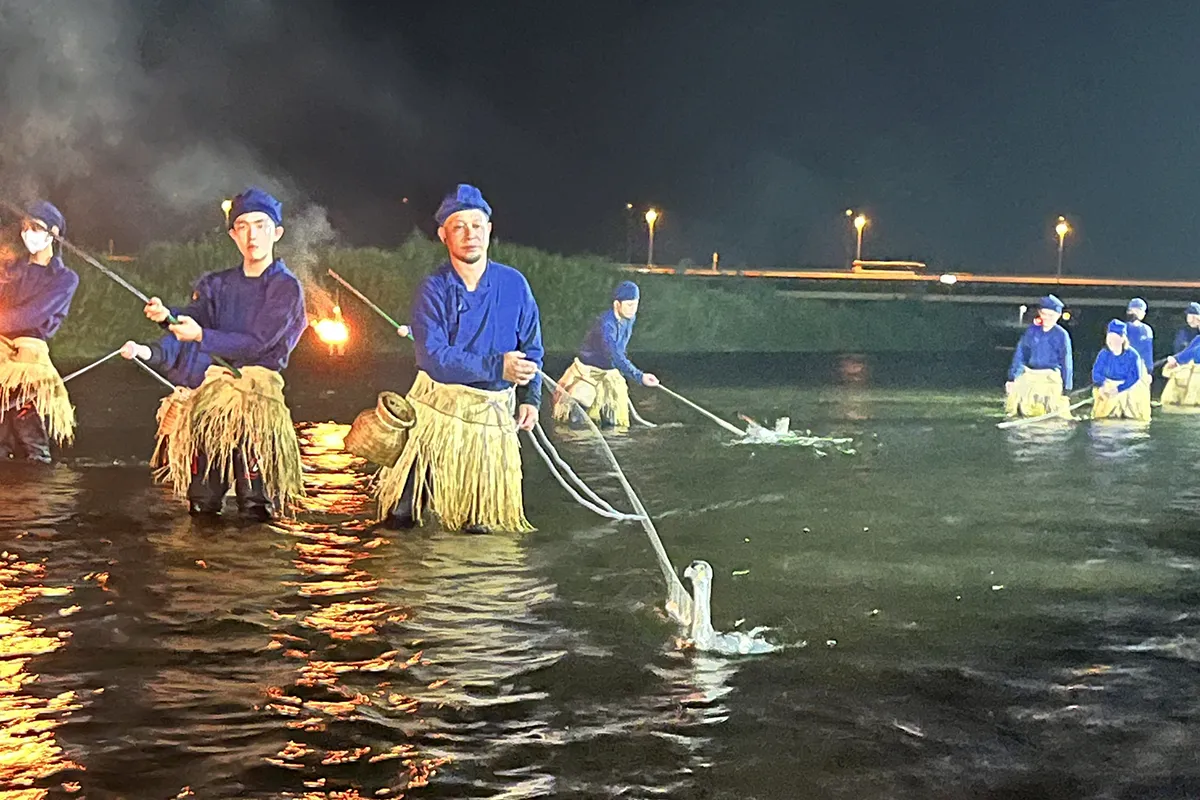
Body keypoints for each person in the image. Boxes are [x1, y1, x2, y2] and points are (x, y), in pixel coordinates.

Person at [376, 184, 543, 533]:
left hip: (490, 421)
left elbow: (532, 348)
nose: (470, 235)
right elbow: (433, 356)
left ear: (489, 229)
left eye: (477, 225)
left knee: (478, 527)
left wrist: (531, 398)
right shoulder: (432, 288)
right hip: (435, 413)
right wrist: (497, 366)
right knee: (401, 518)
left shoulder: (514, 284)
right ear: (443, 235)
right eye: (459, 227)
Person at [143, 187, 308, 520]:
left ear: (276, 233)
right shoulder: (216, 284)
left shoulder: (285, 287)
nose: (252, 235)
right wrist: (167, 316)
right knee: (202, 500)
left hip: (258, 399)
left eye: (260, 225)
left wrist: (202, 336)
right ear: (233, 234)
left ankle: (252, 564)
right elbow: (197, 315)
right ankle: (203, 566)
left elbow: (257, 341)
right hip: (215, 398)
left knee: (254, 503)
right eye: (243, 226)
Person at [0, 201, 79, 462]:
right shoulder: (10, 269)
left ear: (53, 232)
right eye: (24, 227)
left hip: (31, 359)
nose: (27, 233)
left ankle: (36, 491)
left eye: (35, 227)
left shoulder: (64, 278)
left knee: (28, 428)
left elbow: (35, 314)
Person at [552, 280, 659, 427]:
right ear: (617, 305)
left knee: (614, 418)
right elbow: (614, 353)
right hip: (588, 372)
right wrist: (640, 376)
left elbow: (620, 350)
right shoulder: (606, 324)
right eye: (629, 305)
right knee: (582, 403)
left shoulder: (629, 318)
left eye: (635, 304)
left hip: (610, 373)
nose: (633, 309)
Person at [119, 334, 211, 469]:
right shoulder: (187, 329)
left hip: (218, 407)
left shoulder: (239, 333)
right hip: (184, 404)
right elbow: (162, 352)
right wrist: (138, 350)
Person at [1005, 294, 1073, 418]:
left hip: (1051, 376)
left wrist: (1067, 387)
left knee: (1055, 410)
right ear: (1040, 313)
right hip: (1031, 374)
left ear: (1058, 316)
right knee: (1017, 404)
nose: (1047, 318)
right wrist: (1013, 378)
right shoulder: (1031, 331)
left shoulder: (1062, 335)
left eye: (1051, 315)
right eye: (1044, 314)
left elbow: (1066, 361)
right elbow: (1021, 355)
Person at [1091, 319, 1150, 421]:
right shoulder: (1104, 354)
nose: (1111, 341)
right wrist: (1101, 385)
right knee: (1101, 415)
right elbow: (1097, 371)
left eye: (1114, 338)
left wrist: (1119, 389)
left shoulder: (1133, 355)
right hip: (1108, 386)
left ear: (1122, 339)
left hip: (1128, 387)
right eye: (1109, 338)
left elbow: (1135, 376)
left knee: (1136, 413)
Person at [1124, 298, 1154, 376]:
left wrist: (1149, 370)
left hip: (1142, 371)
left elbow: (1148, 352)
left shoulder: (1147, 329)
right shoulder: (1122, 328)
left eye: (1140, 310)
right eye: (1134, 310)